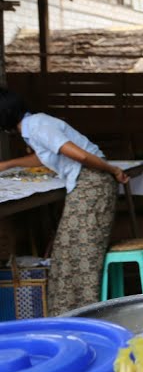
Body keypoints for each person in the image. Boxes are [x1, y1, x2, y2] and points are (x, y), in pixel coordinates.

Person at [0, 88, 129, 315]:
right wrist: (8, 165)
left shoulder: (39, 125)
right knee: (67, 254)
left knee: (82, 256)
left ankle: (84, 314)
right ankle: (68, 313)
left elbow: (78, 155)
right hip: (88, 182)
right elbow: (45, 155)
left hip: (92, 182)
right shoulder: (32, 128)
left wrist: (113, 170)